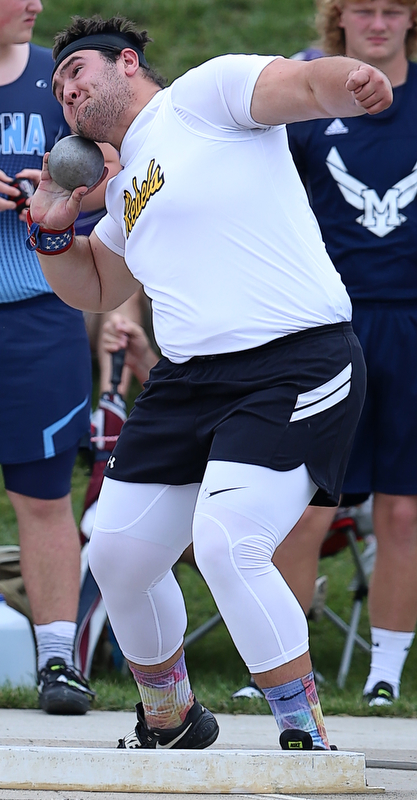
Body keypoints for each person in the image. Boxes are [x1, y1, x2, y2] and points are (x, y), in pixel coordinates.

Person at [27, 14, 391, 750]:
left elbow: (297, 85)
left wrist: (347, 83)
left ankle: (303, 732)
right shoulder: (127, 183)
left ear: (127, 63)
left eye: (78, 72)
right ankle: (172, 716)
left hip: (294, 358)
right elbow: (96, 289)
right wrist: (53, 230)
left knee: (228, 542)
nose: (65, 88)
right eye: (57, 85)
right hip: (190, 379)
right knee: (119, 552)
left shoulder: (205, 94)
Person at [283, 0, 417, 707]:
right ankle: (280, 675)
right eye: (362, 9)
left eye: (391, 9)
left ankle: (384, 674)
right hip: (333, 320)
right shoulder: (308, 102)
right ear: (340, 20)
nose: (377, 22)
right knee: (305, 506)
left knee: (401, 511)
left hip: (412, 321)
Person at [0, 0, 96, 714]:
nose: (33, 3)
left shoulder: (63, 81)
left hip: (38, 313)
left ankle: (58, 661)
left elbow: (120, 180)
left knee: (42, 494)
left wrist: (66, 196)